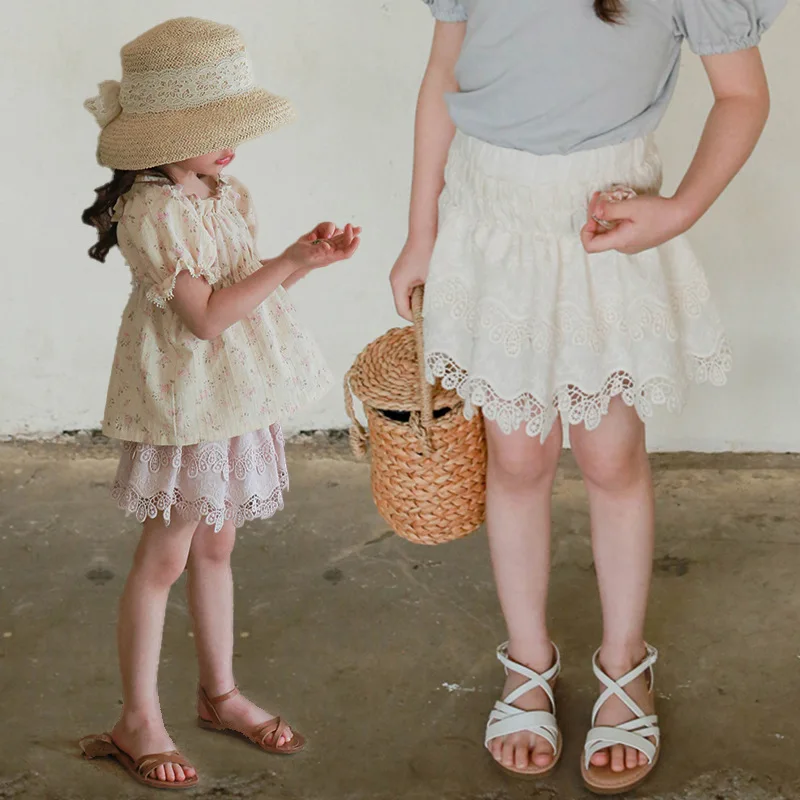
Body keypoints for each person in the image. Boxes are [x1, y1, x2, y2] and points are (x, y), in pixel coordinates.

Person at [390, 0, 784, 793]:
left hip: (602, 226)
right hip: (490, 221)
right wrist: (420, 232)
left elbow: (744, 95)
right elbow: (442, 73)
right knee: (519, 456)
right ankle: (529, 661)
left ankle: (624, 662)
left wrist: (679, 210)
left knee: (609, 456)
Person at [77, 17, 360, 790]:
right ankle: (137, 718)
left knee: (217, 545)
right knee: (166, 554)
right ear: (160, 136)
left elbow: (241, 291)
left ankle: (218, 693)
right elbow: (203, 318)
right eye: (210, 129)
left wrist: (302, 262)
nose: (229, 143)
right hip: (189, 399)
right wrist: (290, 262)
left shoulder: (221, 189)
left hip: (234, 393)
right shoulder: (152, 212)